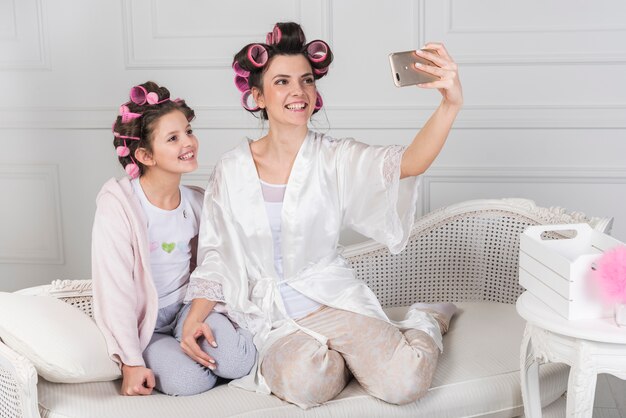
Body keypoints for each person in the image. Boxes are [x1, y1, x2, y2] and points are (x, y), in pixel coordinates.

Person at [181, 21, 462, 408]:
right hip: (273, 318)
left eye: (307, 80)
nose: (298, 91)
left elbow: (409, 163)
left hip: (334, 302)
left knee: (403, 383)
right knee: (305, 384)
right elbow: (216, 253)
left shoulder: (336, 157)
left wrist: (450, 104)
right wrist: (195, 317)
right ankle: (354, 360)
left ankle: (424, 321)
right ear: (258, 97)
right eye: (281, 82)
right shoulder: (230, 169)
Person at [91, 81, 256, 397]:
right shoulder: (119, 207)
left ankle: (250, 341)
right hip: (148, 329)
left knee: (238, 361)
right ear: (145, 155)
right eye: (173, 138)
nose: (188, 142)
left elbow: (216, 265)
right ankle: (183, 358)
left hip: (190, 310)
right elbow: (116, 291)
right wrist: (130, 362)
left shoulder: (197, 202)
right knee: (189, 381)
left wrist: (197, 317)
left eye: (189, 131)